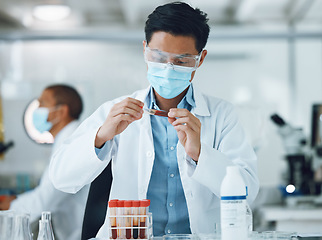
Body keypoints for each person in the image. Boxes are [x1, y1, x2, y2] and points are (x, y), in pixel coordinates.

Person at [49, 2, 259, 238]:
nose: (168, 68)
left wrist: (200, 153)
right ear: (145, 49)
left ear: (200, 59)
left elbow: (247, 191)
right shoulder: (113, 111)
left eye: (182, 61)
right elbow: (61, 178)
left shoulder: (222, 115)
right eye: (158, 57)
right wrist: (100, 136)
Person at [0, 84, 89, 240]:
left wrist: (12, 206)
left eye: (42, 103)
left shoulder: (71, 142)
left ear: (61, 111)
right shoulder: (67, 139)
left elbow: (46, 199)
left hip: (77, 232)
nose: (37, 109)